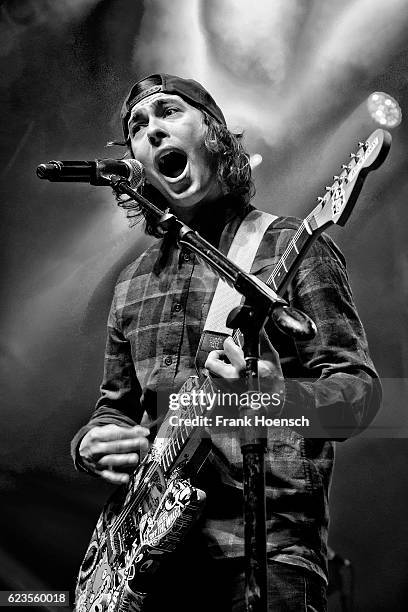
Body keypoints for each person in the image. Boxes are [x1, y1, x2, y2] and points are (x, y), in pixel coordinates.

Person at [71, 73, 381, 611]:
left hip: (262, 551)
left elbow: (359, 396)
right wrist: (92, 444)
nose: (151, 131)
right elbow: (114, 411)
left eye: (168, 112)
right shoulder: (130, 284)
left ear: (214, 133)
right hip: (150, 565)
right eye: (137, 127)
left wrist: (270, 402)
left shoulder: (289, 245)